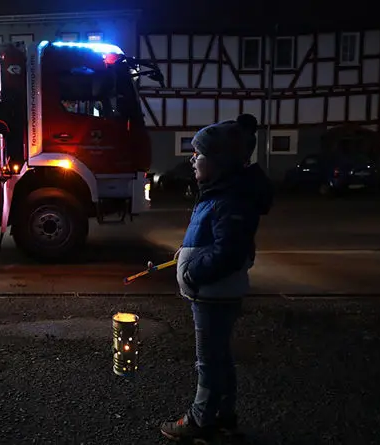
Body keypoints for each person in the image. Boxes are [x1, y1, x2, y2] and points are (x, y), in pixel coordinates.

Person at [160, 114, 273, 442]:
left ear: (219, 162)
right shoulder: (219, 193)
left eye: (199, 154)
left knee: (208, 361)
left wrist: (193, 271)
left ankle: (201, 420)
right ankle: (223, 415)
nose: (192, 160)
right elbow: (212, 242)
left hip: (214, 294)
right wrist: (185, 255)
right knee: (220, 357)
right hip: (214, 293)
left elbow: (229, 252)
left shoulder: (229, 199)